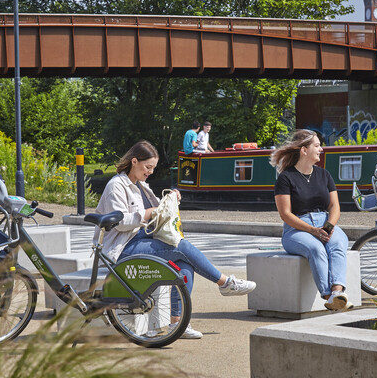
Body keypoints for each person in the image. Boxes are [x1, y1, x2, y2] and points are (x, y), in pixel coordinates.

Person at [95, 140, 256, 339]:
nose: (151, 172)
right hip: (121, 249)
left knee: (184, 263)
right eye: (148, 167)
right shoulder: (116, 186)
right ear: (134, 161)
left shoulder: (141, 185)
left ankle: (177, 324)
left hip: (140, 241)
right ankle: (225, 283)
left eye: (153, 168)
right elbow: (119, 222)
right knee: (181, 247)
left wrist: (170, 199)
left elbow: (157, 212)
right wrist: (149, 212)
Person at [270, 130, 351, 311]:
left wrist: (329, 226)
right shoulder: (285, 178)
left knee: (338, 243)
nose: (321, 149)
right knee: (316, 248)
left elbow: (334, 206)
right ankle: (328, 296)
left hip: (325, 222)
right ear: (304, 150)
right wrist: (313, 230)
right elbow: (285, 214)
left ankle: (338, 292)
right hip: (296, 229)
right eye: (317, 145)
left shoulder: (325, 175)